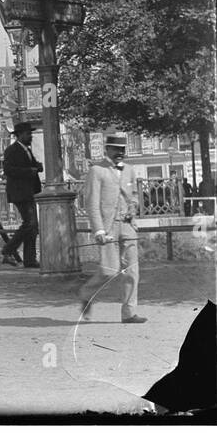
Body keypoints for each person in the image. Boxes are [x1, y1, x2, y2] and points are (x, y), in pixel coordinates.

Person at [78, 133, 146, 323]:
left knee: (132, 271)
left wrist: (133, 208)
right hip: (108, 227)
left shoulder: (130, 170)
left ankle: (129, 313)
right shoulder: (96, 170)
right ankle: (86, 293)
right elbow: (91, 203)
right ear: (107, 149)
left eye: (122, 150)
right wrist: (98, 230)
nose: (120, 153)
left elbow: (133, 195)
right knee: (110, 270)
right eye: (116, 149)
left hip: (127, 226)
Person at [1, 121, 42, 268]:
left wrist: (37, 166)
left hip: (28, 191)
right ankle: (8, 250)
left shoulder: (26, 150)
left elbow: (28, 165)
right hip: (20, 191)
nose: (30, 136)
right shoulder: (12, 150)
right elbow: (9, 170)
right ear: (20, 135)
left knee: (33, 226)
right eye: (28, 134)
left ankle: (30, 259)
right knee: (29, 223)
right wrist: (29, 171)